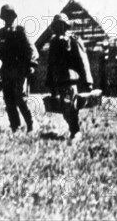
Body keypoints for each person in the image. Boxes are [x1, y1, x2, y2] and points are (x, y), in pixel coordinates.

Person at [46, 13, 93, 142]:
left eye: (61, 25)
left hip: (71, 79)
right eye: (56, 25)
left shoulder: (73, 40)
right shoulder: (54, 42)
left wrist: (88, 81)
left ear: (66, 26)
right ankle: (73, 129)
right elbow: (51, 63)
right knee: (64, 107)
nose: (59, 28)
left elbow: (83, 61)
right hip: (58, 80)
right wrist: (50, 82)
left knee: (70, 105)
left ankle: (75, 132)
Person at [0, 4, 39, 133]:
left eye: (9, 16)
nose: (7, 19)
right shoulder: (1, 33)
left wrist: (31, 65)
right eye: (5, 17)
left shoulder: (20, 31)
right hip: (7, 71)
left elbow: (32, 50)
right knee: (8, 100)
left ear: (14, 17)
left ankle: (31, 124)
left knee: (20, 98)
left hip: (19, 71)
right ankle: (15, 127)